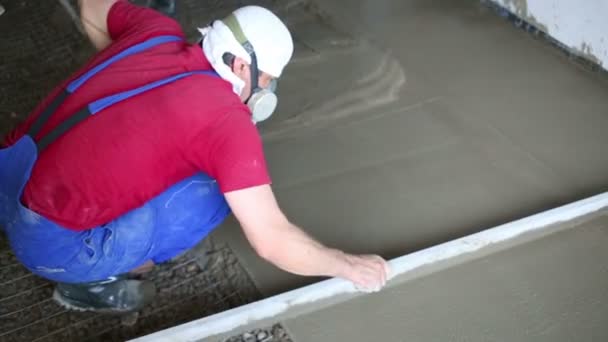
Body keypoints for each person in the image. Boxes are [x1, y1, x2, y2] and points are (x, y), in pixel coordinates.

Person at [0, 0, 390, 314]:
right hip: (48, 246)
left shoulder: (156, 31)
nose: (267, 90)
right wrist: (348, 266)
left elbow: (93, 5)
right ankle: (90, 280)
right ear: (241, 66)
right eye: (268, 80)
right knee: (218, 190)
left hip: (7, 173)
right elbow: (272, 240)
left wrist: (130, 87)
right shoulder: (226, 122)